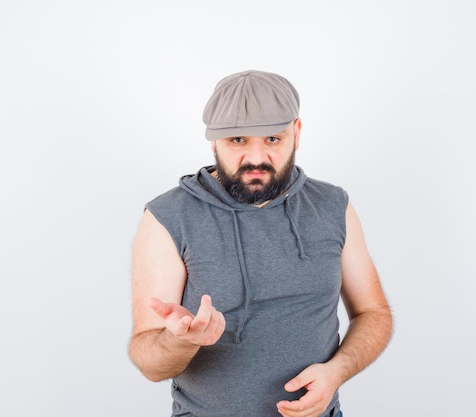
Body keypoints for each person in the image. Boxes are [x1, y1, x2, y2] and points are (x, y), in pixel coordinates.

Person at [128, 70, 393, 417]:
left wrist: (336, 372)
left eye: (272, 139)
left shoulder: (332, 206)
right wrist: (180, 340)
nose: (256, 159)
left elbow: (374, 313)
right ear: (213, 140)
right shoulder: (168, 216)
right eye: (237, 140)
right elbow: (150, 362)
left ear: (296, 133)